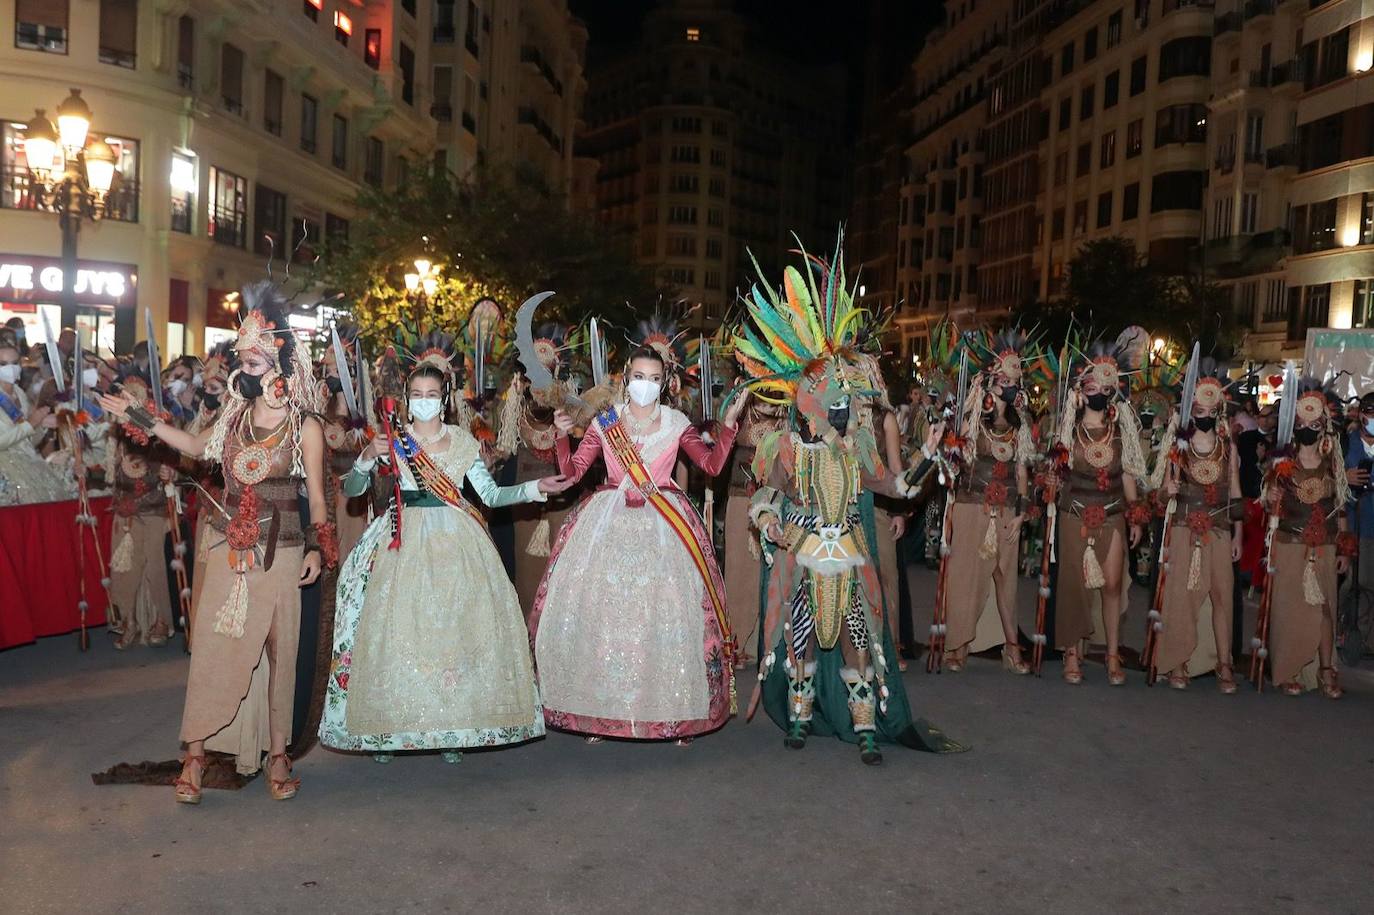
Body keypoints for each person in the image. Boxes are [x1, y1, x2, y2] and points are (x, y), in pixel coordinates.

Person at [100, 281, 334, 803]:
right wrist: (138, 417)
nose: (247, 364)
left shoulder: (306, 426)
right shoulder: (232, 417)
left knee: (279, 652)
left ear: (280, 359)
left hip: (284, 548)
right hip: (229, 548)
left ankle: (277, 756)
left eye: (256, 357)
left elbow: (316, 499)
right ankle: (196, 757)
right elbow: (194, 446)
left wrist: (319, 547)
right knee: (210, 647)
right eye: (243, 357)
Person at [735, 246, 965, 765]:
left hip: (850, 558)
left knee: (860, 641)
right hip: (804, 556)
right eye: (825, 387)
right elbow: (767, 493)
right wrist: (768, 520)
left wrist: (927, 456)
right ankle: (798, 718)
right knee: (804, 642)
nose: (838, 396)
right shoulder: (787, 449)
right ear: (806, 397)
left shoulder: (858, 450)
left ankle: (864, 727)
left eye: (842, 387)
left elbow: (898, 488)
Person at [320, 331, 572, 762]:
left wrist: (534, 488)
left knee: (452, 636)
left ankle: (451, 726)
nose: (423, 400)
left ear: (445, 397)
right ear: (406, 397)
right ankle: (391, 727)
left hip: (457, 543)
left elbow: (490, 496)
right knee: (398, 634)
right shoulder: (392, 441)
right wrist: (366, 457)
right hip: (402, 541)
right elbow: (355, 491)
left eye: (431, 393)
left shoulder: (462, 442)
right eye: (416, 393)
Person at [529, 344, 746, 744]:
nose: (646, 385)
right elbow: (573, 473)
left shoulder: (677, 422)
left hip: (665, 524)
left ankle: (675, 710)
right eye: (640, 377)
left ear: (665, 384)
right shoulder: (605, 422)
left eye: (655, 378)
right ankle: (600, 710)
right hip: (607, 522)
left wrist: (730, 426)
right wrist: (561, 438)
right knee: (605, 619)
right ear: (626, 377)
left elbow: (712, 466)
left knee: (667, 616)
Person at [1046, 341, 1152, 686]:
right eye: (1094, 386)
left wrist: (1135, 516)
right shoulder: (1067, 428)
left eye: (1108, 387)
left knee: (1112, 585)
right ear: (1081, 388)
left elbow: (1130, 474)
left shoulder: (1122, 430)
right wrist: (1047, 484)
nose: (1100, 392)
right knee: (1075, 587)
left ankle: (1110, 654)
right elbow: (1056, 472)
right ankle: (1072, 653)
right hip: (1075, 513)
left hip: (1112, 514)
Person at [937, 330, 1037, 674]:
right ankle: (957, 646)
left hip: (1007, 509)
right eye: (1003, 378)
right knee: (967, 576)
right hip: (970, 504)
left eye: (1014, 379)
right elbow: (952, 441)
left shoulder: (1020, 423)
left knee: (1005, 579)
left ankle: (1012, 647)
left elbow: (1023, 471)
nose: (1008, 383)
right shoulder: (973, 414)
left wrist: (1022, 514)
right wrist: (976, 394)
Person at [1148, 363, 1242, 692]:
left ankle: (1224, 664)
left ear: (1218, 410)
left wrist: (1238, 535)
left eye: (1209, 409)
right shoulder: (1177, 447)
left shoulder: (1228, 447)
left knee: (1222, 598)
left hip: (1219, 530)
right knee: (1183, 598)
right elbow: (1159, 493)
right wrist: (1166, 491)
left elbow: (1235, 495)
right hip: (1184, 528)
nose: (1203, 414)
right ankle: (1178, 662)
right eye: (1197, 409)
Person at [1261, 378, 1351, 697]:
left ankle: (1327, 670)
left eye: (1314, 422)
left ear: (1324, 424)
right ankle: (1290, 670)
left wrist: (1344, 548)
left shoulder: (1332, 461)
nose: (1308, 427)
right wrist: (1271, 497)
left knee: (1325, 609)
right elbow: (1271, 511)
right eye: (1302, 422)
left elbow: (1340, 506)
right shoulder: (1282, 462)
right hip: (1290, 546)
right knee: (1290, 610)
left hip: (1324, 546)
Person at [104, 372, 175, 649]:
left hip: (154, 513)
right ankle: (128, 622)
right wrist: (84, 472)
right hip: (124, 516)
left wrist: (170, 473)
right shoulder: (115, 436)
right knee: (123, 572)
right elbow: (110, 478)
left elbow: (177, 463)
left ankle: (160, 619)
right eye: (123, 397)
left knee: (154, 569)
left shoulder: (158, 433)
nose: (127, 402)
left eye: (133, 397)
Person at [0, 331, 70, 505]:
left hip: (29, 460)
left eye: (15, 363)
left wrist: (42, 425)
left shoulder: (19, 393)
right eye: (3, 364)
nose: (11, 368)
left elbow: (29, 440)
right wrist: (31, 423)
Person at [1343, 392, 1374, 655]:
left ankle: (1364, 635)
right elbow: (1327, 476)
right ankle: (1349, 627)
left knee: (1368, 581)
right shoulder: (1345, 443)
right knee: (1358, 578)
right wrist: (1345, 477)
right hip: (1353, 521)